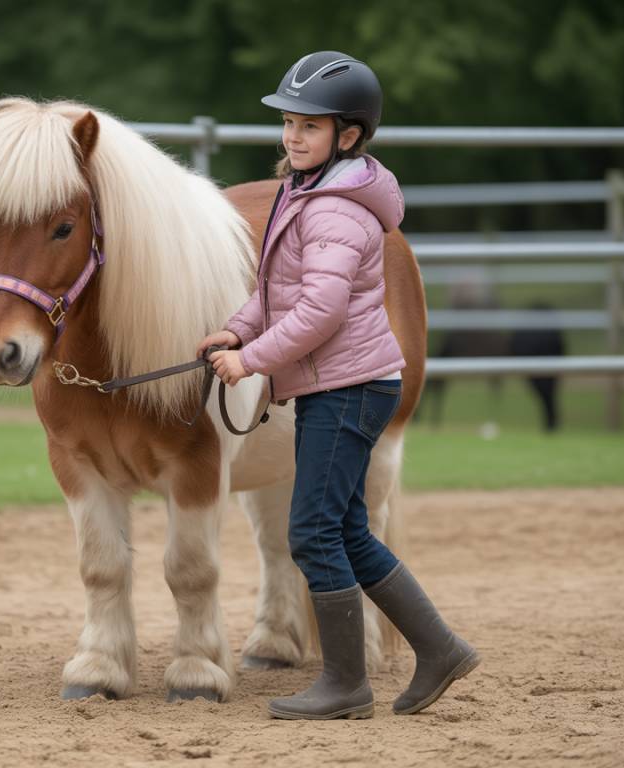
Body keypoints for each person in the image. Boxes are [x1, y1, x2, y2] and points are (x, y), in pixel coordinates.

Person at [196, 50, 480, 720]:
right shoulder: (304, 193)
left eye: (310, 126)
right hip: (341, 382)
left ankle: (346, 683)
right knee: (348, 527)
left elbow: (318, 311)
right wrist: (236, 331)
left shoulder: (337, 211)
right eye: (288, 123)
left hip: (351, 386)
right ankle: (439, 649)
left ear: (348, 136)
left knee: (314, 531)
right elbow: (273, 292)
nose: (292, 136)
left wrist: (254, 361)